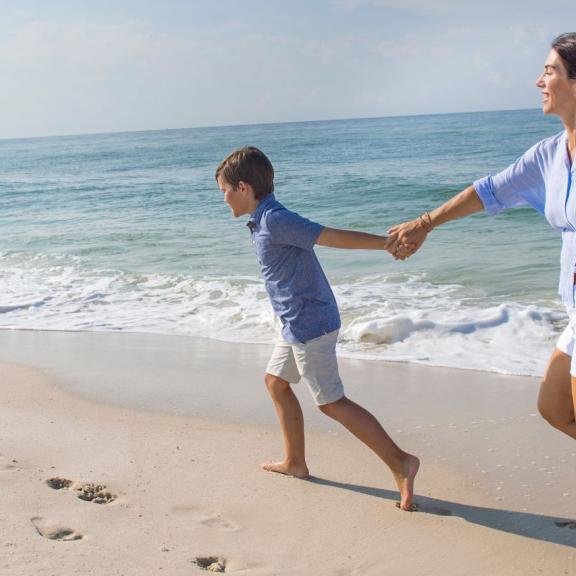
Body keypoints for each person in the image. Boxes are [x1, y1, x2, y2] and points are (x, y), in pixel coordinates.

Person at [389, 32, 576, 441]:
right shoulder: (548, 155)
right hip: (574, 310)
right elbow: (488, 191)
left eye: (550, 71)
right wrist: (425, 223)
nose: (539, 82)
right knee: (554, 407)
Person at [215, 146, 420, 510]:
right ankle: (295, 462)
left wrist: (387, 245)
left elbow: (330, 237)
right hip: (293, 323)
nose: (223, 198)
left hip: (310, 323)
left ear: (243, 187)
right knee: (276, 383)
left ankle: (401, 462)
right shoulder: (262, 220)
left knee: (331, 402)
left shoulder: (275, 219)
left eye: (224, 190)